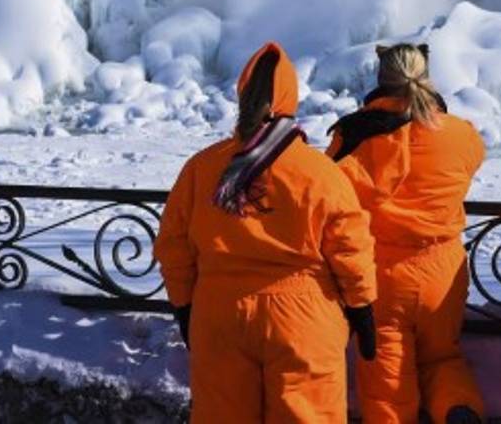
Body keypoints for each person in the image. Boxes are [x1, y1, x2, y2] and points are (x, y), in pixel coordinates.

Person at [154, 41, 378, 423]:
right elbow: (349, 247)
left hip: (220, 313)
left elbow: (173, 245)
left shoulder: (202, 168)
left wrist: (185, 306)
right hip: (303, 317)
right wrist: (362, 308)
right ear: (291, 99)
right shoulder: (319, 172)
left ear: (242, 94)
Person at [327, 43, 486, 424]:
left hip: (381, 276)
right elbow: (471, 162)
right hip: (444, 273)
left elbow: (328, 190)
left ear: (381, 78)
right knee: (442, 358)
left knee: (387, 379)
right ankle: (459, 409)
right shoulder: (461, 133)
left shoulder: (356, 135)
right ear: (427, 76)